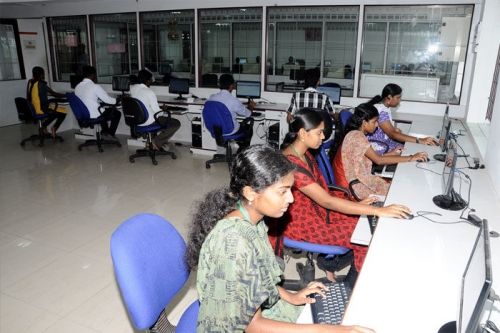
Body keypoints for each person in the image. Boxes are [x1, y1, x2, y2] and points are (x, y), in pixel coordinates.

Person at [186, 145, 375, 333]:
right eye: (282, 191)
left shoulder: (253, 221)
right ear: (251, 193)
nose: (291, 199)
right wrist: (329, 330)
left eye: (290, 190)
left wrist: (292, 297)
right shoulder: (234, 245)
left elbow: (261, 281)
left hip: (263, 313)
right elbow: (252, 326)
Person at [278, 108, 412, 276]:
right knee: (365, 236)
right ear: (303, 133)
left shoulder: (303, 153)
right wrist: (378, 210)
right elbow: (327, 201)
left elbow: (323, 196)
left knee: (366, 221)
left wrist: (359, 205)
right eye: (319, 133)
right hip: (302, 223)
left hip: (318, 211)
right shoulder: (292, 164)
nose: (323, 137)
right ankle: (360, 283)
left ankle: (342, 269)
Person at [333, 103, 429, 200]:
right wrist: (410, 158)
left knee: (398, 187)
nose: (377, 125)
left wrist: (391, 154)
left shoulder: (356, 133)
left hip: (358, 179)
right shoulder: (358, 137)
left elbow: (369, 156)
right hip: (354, 186)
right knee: (399, 193)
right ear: (364, 123)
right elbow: (378, 160)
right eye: (374, 122)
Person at [366, 83, 437, 155]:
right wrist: (420, 140)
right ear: (389, 97)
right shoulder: (382, 112)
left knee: (411, 146)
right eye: (398, 97)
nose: (399, 100)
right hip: (378, 144)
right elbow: (393, 135)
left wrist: (394, 130)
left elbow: (387, 130)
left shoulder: (383, 107)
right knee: (409, 150)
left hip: (384, 140)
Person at [130, 69, 181, 150]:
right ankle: (157, 141)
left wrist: (158, 108)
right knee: (176, 123)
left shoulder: (133, 89)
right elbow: (158, 113)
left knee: (158, 118)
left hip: (137, 121)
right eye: (150, 80)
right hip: (149, 121)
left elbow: (142, 105)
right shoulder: (149, 92)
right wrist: (163, 110)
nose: (151, 82)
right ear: (147, 81)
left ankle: (151, 142)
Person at [207, 73, 255, 152]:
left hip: (217, 132)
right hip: (230, 131)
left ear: (219, 85)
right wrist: (251, 106)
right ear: (232, 86)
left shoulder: (212, 98)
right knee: (248, 128)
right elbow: (248, 114)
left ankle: (232, 151)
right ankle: (242, 154)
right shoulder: (233, 100)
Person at [286, 68, 336, 138]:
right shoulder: (325, 97)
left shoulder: (296, 95)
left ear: (305, 81)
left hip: (301, 134)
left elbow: (289, 118)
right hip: (317, 135)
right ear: (318, 82)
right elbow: (333, 114)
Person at [75, 65, 121, 137]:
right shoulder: (95, 87)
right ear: (93, 75)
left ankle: (105, 131)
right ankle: (110, 134)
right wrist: (118, 99)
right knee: (116, 113)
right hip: (93, 115)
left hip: (83, 115)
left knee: (103, 110)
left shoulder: (77, 87)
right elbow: (109, 100)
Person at [27, 66, 67, 139]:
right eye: (43, 74)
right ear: (41, 74)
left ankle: (44, 126)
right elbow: (54, 94)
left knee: (53, 110)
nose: (43, 75)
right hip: (41, 109)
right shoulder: (41, 84)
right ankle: (54, 128)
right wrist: (67, 95)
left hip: (32, 108)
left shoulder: (30, 82)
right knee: (62, 112)